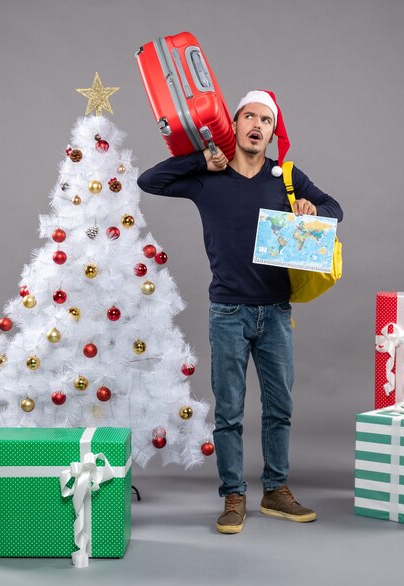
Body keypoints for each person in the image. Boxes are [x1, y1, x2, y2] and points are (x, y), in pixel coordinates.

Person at [138, 90, 343, 534]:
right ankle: (234, 496)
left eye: (266, 120)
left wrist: (311, 207)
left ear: (272, 132)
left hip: (276, 312)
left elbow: (334, 209)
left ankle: (275, 490)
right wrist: (199, 160)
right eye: (249, 116)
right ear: (234, 124)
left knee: (280, 406)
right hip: (228, 313)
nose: (257, 124)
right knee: (229, 411)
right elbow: (149, 181)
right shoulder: (209, 177)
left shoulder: (284, 176)